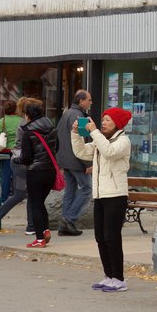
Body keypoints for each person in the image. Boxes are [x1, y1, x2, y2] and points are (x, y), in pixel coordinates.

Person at [73, 106, 132, 292]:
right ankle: (108, 276)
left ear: (118, 124)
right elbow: (81, 152)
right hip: (100, 195)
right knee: (100, 237)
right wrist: (76, 133)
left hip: (116, 195)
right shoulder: (101, 140)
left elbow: (110, 152)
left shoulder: (123, 141)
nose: (104, 123)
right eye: (103, 119)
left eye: (108, 120)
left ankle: (119, 278)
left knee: (112, 237)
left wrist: (94, 131)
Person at [0, 97, 34, 238]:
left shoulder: (3, 121)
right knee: (24, 193)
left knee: (9, 182)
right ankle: (30, 225)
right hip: (22, 159)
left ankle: (31, 225)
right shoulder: (23, 123)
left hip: (8, 155)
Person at [16, 100, 56, 248]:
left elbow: (26, 157)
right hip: (50, 170)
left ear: (28, 115)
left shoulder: (28, 132)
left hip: (35, 172)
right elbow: (55, 149)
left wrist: (16, 159)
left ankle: (39, 238)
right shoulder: (51, 128)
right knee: (40, 202)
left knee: (35, 204)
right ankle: (45, 230)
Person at [57, 90, 94, 236]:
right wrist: (87, 163)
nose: (91, 102)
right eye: (89, 100)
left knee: (70, 191)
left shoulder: (67, 113)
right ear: (81, 101)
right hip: (76, 159)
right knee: (87, 189)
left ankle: (65, 224)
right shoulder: (79, 116)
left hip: (65, 159)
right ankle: (69, 219)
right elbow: (82, 143)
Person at [0, 100, 22, 202]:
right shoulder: (21, 121)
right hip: (18, 151)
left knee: (6, 174)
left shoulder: (2, 121)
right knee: (18, 175)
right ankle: (17, 196)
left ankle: (4, 197)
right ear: (15, 109)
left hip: (5, 151)